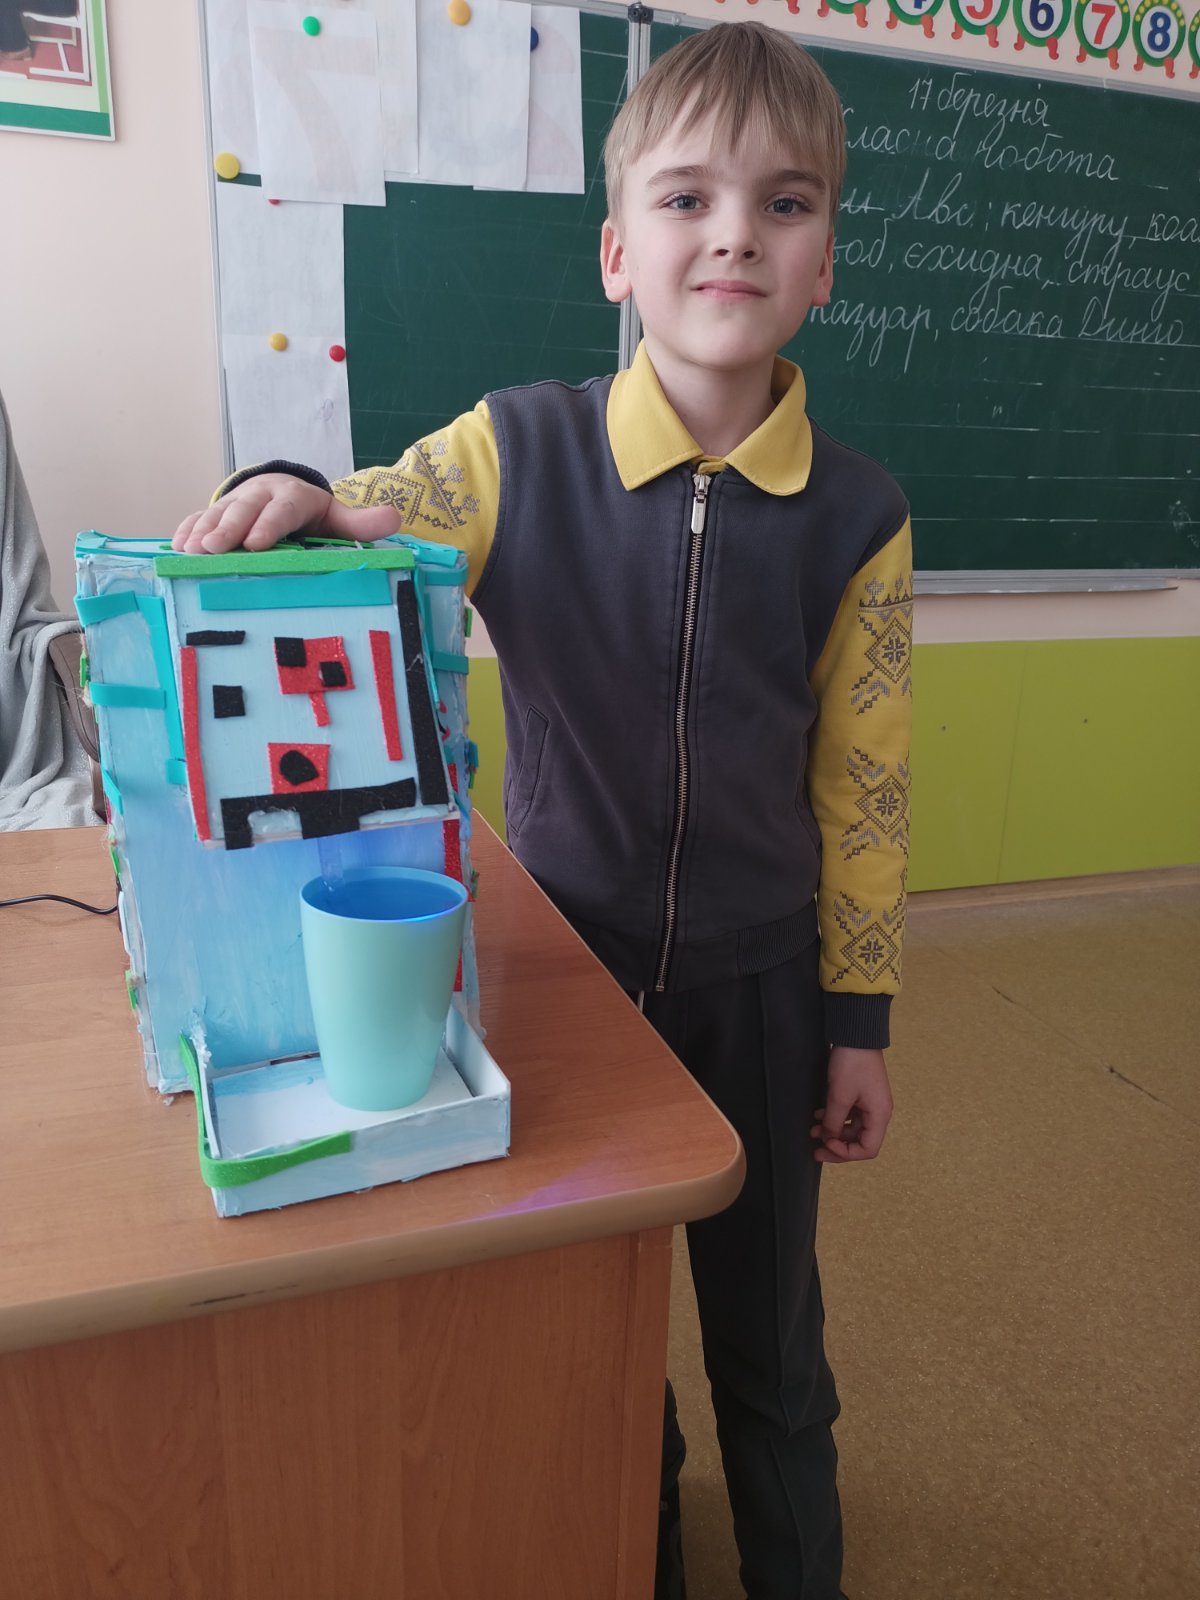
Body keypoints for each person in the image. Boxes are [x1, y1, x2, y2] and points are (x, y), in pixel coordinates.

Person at [173, 23, 912, 1599]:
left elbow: (864, 790)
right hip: (570, 982)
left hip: (765, 990)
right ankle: (632, 1553)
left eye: (784, 204)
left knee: (772, 1346)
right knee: (599, 1327)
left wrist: (858, 1021)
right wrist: (294, 482)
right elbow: (377, 504)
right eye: (688, 198)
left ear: (825, 265)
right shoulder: (518, 448)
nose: (734, 234)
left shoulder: (860, 515)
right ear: (617, 252)